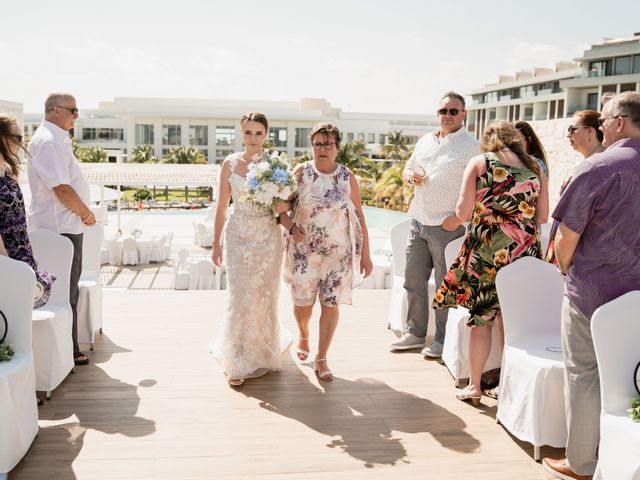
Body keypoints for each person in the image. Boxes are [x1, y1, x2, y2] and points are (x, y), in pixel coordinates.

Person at [542, 92, 640, 480]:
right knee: (630, 371)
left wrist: (565, 268)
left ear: (619, 122)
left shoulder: (599, 167)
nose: (599, 125)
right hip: (637, 296)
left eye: (603, 119)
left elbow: (566, 236)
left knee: (583, 373)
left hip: (593, 292)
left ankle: (582, 462)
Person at [433, 120, 549, 406]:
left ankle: (474, 386)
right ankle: (508, 385)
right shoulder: (535, 168)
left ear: (488, 142)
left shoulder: (479, 163)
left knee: (481, 319)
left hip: (487, 250)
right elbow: (543, 217)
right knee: (512, 319)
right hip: (523, 251)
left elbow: (462, 211)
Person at [389, 91, 480, 357]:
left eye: (454, 111)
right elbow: (408, 167)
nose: (448, 116)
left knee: (444, 287)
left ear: (464, 114)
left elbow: (480, 188)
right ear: (437, 114)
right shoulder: (425, 141)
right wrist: (409, 177)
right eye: (444, 111)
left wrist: (459, 219)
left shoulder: (472, 146)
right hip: (418, 220)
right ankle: (415, 333)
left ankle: (442, 340)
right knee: (413, 280)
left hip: (448, 227)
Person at [281, 123, 372, 381]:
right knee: (302, 307)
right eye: (318, 144)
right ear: (311, 147)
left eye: (328, 144)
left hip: (337, 255)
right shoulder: (301, 172)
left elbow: (359, 216)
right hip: (302, 254)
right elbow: (280, 207)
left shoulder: (347, 177)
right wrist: (291, 227)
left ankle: (322, 358)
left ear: (337, 148)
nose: (322, 149)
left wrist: (365, 254)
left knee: (330, 305)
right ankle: (303, 333)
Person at [210, 112, 291, 387]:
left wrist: (284, 206)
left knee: (264, 295)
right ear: (241, 134)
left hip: (268, 236)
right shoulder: (229, 164)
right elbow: (222, 206)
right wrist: (215, 242)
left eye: (259, 133)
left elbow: (286, 203)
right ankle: (237, 357)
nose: (253, 138)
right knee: (241, 292)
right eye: (248, 133)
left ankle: (262, 351)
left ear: (266, 135)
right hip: (238, 236)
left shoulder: (275, 165)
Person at [27, 93, 95, 366]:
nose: (76, 116)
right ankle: (67, 350)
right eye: (73, 110)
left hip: (63, 226)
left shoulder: (56, 139)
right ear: (55, 110)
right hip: (59, 229)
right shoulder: (50, 142)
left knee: (69, 289)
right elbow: (62, 189)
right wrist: (87, 214)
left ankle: (67, 347)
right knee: (65, 291)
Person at [0, 115, 54, 307]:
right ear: (2, 137)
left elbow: (19, 216)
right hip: (5, 255)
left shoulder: (9, 170)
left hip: (21, 251)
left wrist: (30, 252)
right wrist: (5, 258)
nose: (21, 142)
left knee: (24, 312)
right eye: (18, 137)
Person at [545, 110, 604, 265]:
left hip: (576, 255)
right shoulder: (590, 164)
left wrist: (564, 264)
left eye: (572, 129)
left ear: (590, 131)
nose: (568, 135)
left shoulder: (598, 167)